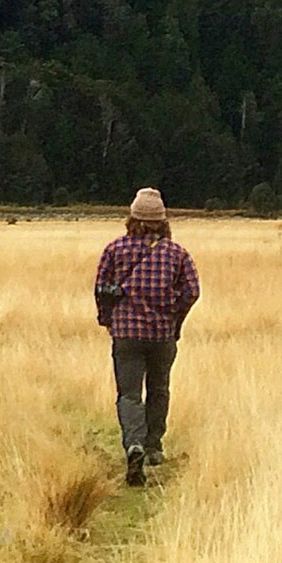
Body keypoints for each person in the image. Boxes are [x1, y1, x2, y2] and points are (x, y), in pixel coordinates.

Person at [93, 187, 199, 486]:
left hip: (126, 334)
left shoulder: (114, 249)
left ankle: (133, 445)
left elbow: (101, 289)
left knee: (129, 394)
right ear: (163, 220)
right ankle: (153, 447)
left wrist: (108, 321)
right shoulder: (177, 254)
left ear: (132, 218)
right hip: (162, 334)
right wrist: (175, 317)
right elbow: (192, 291)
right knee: (159, 388)